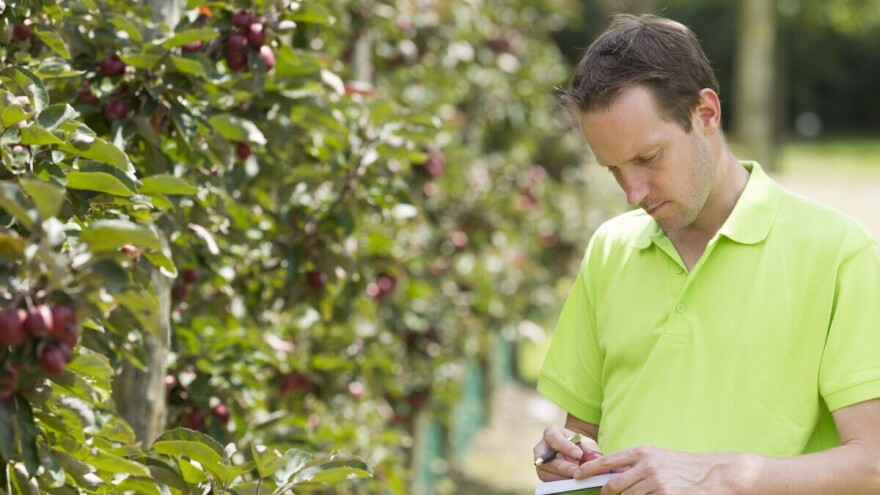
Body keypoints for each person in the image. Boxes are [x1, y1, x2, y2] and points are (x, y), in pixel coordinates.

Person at [533, 13, 880, 494]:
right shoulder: (611, 248)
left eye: (647, 158)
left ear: (707, 114)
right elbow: (583, 432)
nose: (632, 192)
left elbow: (872, 465)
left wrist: (720, 475)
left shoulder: (839, 252)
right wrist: (565, 456)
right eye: (612, 169)